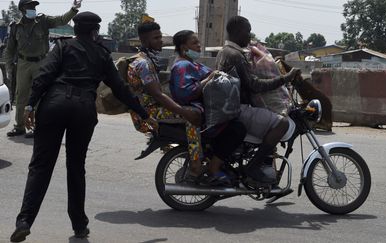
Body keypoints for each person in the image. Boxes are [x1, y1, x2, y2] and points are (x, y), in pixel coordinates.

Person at [9, 12, 155, 242]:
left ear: (75, 30)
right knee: (76, 168)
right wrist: (144, 113)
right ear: (95, 32)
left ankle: (24, 221)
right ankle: (79, 226)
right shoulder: (102, 54)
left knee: (40, 166)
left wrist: (29, 105)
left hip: (54, 106)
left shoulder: (61, 47)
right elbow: (119, 88)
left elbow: (44, 76)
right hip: (83, 109)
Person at [216, 16, 301, 184]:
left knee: (269, 121)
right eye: (247, 31)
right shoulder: (236, 55)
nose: (249, 36)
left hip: (229, 107)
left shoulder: (224, 51)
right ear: (238, 32)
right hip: (237, 109)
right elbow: (254, 85)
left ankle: (264, 167)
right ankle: (253, 166)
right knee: (281, 124)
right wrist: (285, 78)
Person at [126, 20, 204, 177]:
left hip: (151, 109)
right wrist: (184, 111)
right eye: (156, 38)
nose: (161, 41)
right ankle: (195, 164)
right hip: (149, 114)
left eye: (160, 37)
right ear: (144, 40)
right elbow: (157, 94)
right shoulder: (143, 64)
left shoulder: (148, 59)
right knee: (192, 117)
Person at [170, 30, 247, 185]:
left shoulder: (191, 63)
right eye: (194, 43)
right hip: (201, 115)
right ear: (184, 47)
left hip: (211, 110)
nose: (199, 46)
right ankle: (214, 168)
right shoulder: (182, 66)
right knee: (238, 129)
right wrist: (209, 79)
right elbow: (185, 92)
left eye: (198, 42)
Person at [4, 0, 82, 138]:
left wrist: (73, 9)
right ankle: (20, 126)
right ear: (22, 9)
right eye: (30, 6)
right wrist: (9, 68)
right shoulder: (16, 26)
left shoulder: (43, 21)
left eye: (34, 6)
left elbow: (62, 20)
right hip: (23, 63)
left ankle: (38, 127)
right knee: (20, 96)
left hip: (41, 62)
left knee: (40, 95)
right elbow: (10, 49)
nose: (33, 9)